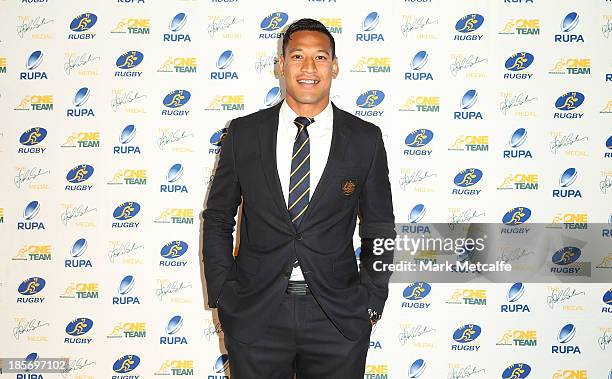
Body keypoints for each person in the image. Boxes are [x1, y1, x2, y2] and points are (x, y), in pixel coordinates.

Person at [202, 18, 395, 379]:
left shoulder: (365, 138)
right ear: (281, 64)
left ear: (334, 67)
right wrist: (223, 296)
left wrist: (371, 301)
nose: (309, 68)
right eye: (297, 57)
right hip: (256, 312)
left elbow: (380, 227)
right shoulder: (244, 133)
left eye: (320, 57)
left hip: (337, 318)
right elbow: (217, 219)